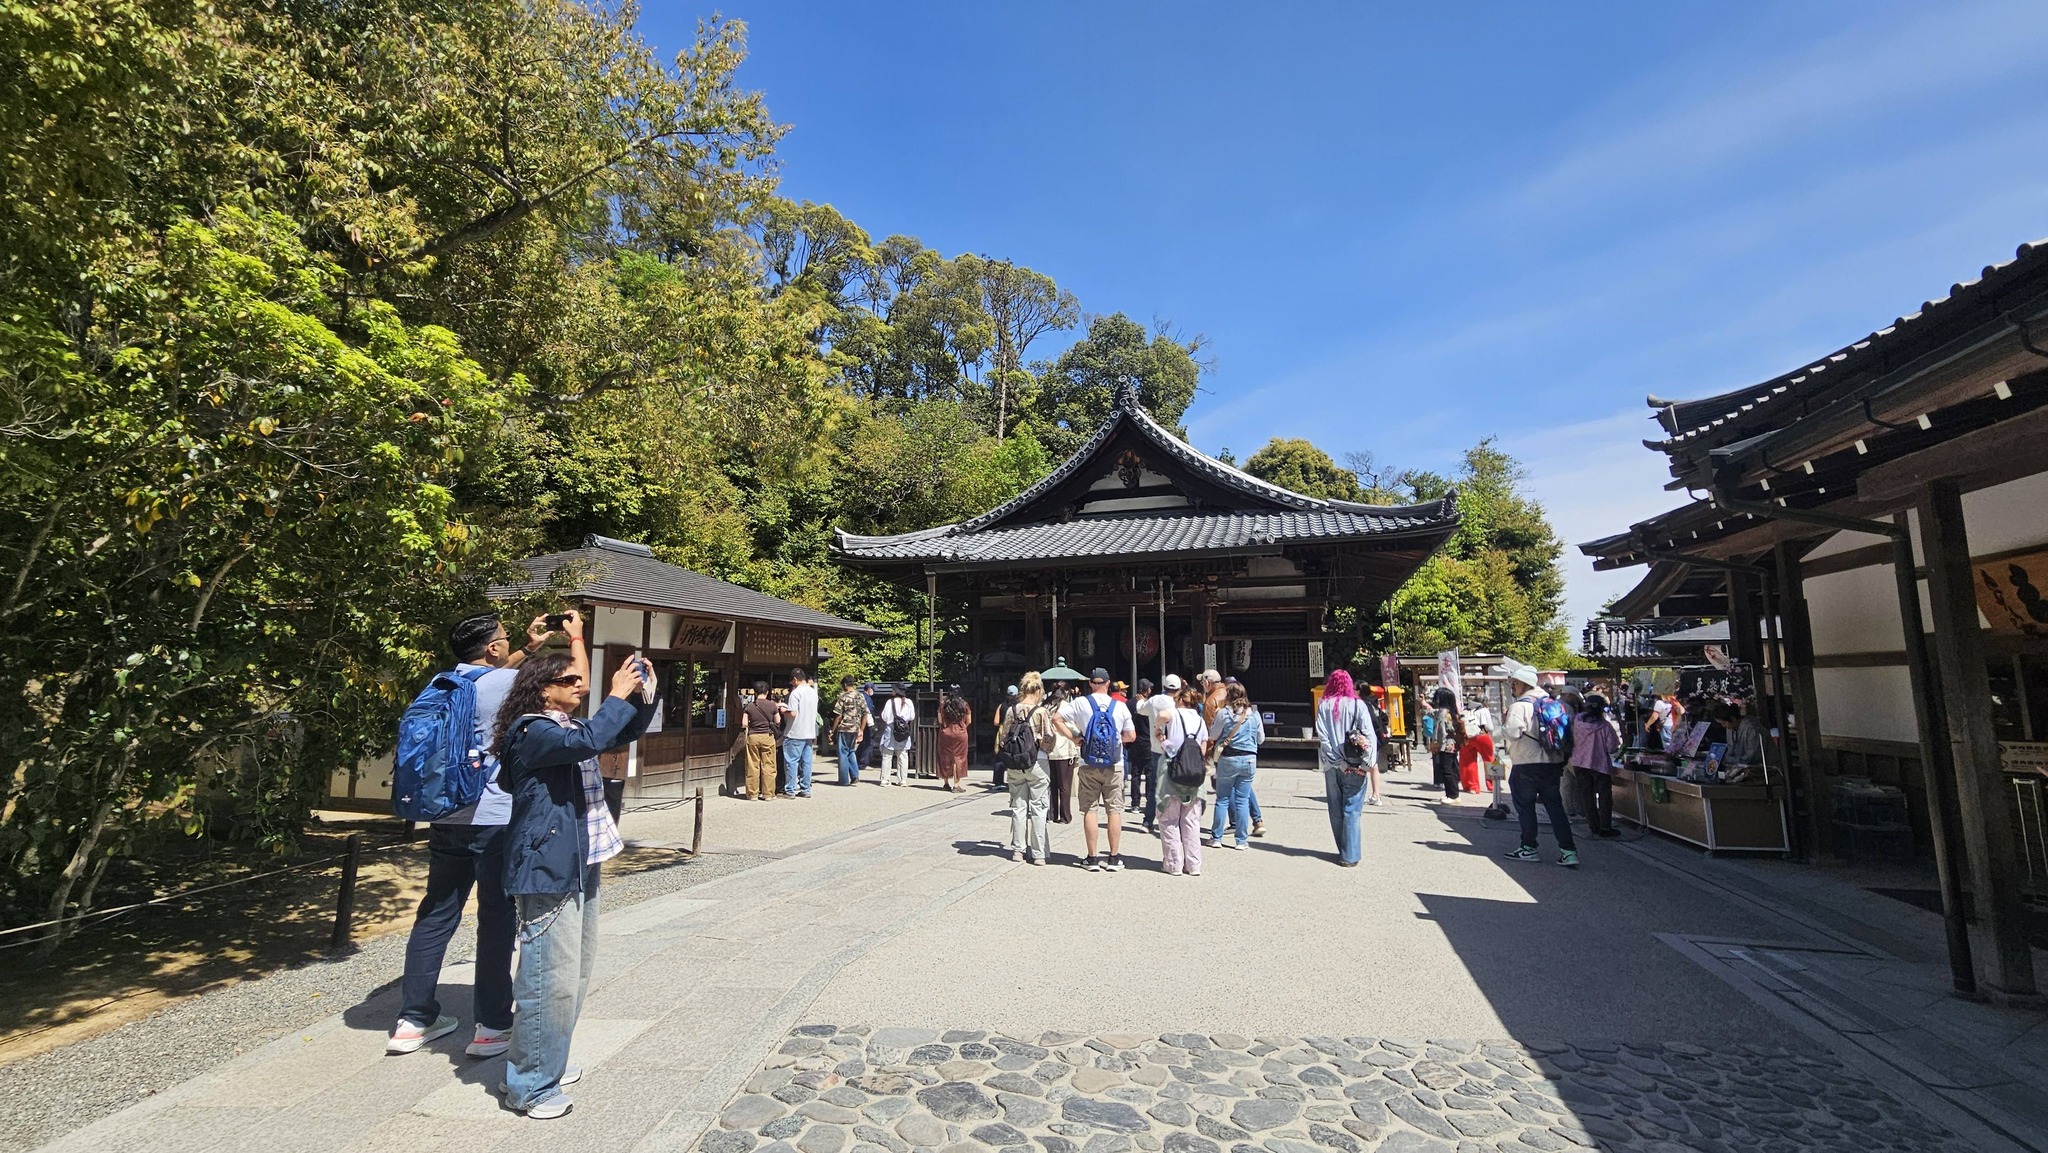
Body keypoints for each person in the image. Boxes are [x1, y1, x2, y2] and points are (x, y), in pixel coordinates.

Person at [494, 626, 656, 1119]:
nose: (579, 685)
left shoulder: (562, 727)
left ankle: (548, 1060)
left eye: (579, 680)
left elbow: (617, 732)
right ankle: (531, 1085)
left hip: (579, 857)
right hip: (548, 864)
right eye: (569, 680)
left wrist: (642, 693)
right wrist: (615, 694)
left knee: (574, 971)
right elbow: (591, 738)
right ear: (542, 689)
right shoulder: (532, 730)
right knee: (548, 976)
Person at [387, 610, 554, 1058]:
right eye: (505, 638)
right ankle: (492, 1025)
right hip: (494, 816)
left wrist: (528, 647)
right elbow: (563, 688)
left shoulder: (442, 684)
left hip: (446, 814)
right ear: (493, 648)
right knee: (496, 917)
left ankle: (413, 1020)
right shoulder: (509, 684)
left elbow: (489, 677)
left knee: (436, 913)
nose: (508, 643)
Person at [1503, 665, 1577, 867]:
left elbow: (1512, 733)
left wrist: (1504, 723)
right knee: (1555, 807)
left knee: (1525, 807)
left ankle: (1529, 848)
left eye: (1514, 683)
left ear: (1523, 684)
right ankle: (1568, 851)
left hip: (1526, 763)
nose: (1512, 686)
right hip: (1552, 763)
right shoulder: (1554, 704)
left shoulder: (1520, 706)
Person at [1062, 668, 1136, 871]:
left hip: (1088, 763)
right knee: (1114, 810)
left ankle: (1092, 858)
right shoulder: (1119, 706)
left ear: (1090, 683)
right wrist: (1116, 740)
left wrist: (1075, 738)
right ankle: (1113, 858)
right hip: (1114, 764)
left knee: (1090, 810)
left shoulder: (1080, 703)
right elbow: (1131, 736)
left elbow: (1056, 719)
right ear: (1108, 683)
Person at [1314, 670, 1377, 867]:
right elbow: (1369, 736)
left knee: (1335, 809)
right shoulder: (1358, 705)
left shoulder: (1324, 706)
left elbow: (1324, 739)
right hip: (1356, 763)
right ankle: (1350, 855)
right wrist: (1367, 765)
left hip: (1332, 765)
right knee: (1352, 808)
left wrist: (1338, 763)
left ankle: (1343, 849)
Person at [1156, 684, 1209, 876]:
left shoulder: (1174, 713)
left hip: (1172, 772)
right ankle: (1193, 864)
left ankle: (1173, 864)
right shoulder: (1200, 721)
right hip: (1194, 775)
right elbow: (1202, 749)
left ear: (1180, 700)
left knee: (1169, 819)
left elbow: (1162, 715)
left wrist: (1158, 729)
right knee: (1191, 821)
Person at [1207, 682, 1266, 851]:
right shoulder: (1254, 714)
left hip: (1228, 759)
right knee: (1242, 800)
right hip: (1249, 759)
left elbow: (1213, 735)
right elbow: (1261, 739)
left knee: (1222, 799)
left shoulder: (1223, 713)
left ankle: (1216, 837)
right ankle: (1241, 840)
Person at [1005, 672, 1051, 864]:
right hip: (1037, 761)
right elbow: (1048, 738)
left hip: (1015, 762)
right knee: (1039, 807)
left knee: (1018, 806)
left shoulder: (1012, 710)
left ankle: (1018, 850)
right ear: (1038, 691)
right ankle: (1039, 853)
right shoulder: (1041, 712)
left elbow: (1004, 736)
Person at [1570, 693, 1623, 838]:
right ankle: (1605, 827)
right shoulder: (1605, 726)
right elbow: (1612, 747)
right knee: (1605, 797)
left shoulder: (1576, 722)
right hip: (1600, 765)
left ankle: (1593, 825)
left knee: (1587, 796)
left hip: (1579, 763)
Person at [1139, 674, 1179, 833]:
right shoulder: (1177, 703)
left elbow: (1140, 709)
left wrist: (1142, 699)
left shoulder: (1154, 700)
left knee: (1154, 786)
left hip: (1156, 748)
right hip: (1175, 749)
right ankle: (1173, 821)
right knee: (1176, 785)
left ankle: (1147, 821)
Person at [780, 667, 819, 798]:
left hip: (795, 732)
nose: (791, 683)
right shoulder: (813, 692)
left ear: (795, 679)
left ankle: (790, 790)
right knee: (806, 763)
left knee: (791, 762)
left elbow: (793, 713)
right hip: (809, 732)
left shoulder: (795, 693)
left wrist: (783, 710)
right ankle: (806, 789)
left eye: (792, 681)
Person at [1043, 683, 1079, 823]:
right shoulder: (1066, 706)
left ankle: (1051, 814)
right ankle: (1065, 816)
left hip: (1048, 749)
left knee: (1051, 784)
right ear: (1066, 693)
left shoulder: (1045, 705)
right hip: (1064, 749)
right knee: (1064, 785)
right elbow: (1072, 726)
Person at [741, 681, 780, 800]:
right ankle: (768, 794)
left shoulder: (749, 706)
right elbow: (778, 721)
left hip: (753, 736)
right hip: (768, 736)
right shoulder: (772, 705)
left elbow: (744, 723)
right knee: (769, 765)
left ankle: (752, 794)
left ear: (755, 692)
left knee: (752, 766)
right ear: (767, 692)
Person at [830, 676, 868, 787]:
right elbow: (865, 714)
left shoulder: (843, 697)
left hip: (844, 728)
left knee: (843, 753)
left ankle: (843, 780)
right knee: (851, 751)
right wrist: (861, 729)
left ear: (845, 684)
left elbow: (838, 715)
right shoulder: (860, 696)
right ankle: (855, 775)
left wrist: (832, 730)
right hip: (855, 728)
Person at [876, 684, 916, 785]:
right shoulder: (909, 702)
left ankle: (885, 779)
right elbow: (912, 717)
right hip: (903, 730)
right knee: (902, 755)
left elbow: (884, 717)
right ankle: (902, 780)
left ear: (896, 691)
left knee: (887, 755)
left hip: (890, 729)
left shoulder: (890, 702)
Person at [1427, 687, 1462, 802]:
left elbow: (1442, 730)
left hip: (1445, 745)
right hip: (1451, 744)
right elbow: (1432, 712)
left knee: (1447, 770)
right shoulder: (1450, 711)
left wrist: (1436, 743)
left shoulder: (1443, 713)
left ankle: (1453, 796)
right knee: (1451, 769)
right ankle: (1452, 794)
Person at [936, 686, 972, 791]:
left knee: (945, 756)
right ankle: (956, 785)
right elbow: (969, 720)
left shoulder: (943, 704)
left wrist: (945, 726)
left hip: (946, 732)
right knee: (959, 757)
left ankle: (946, 783)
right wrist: (963, 726)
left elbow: (940, 720)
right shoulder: (964, 704)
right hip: (960, 733)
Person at [1457, 713, 1493, 798]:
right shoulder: (1483, 711)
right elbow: (1490, 727)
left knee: (1468, 762)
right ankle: (1492, 785)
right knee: (1489, 759)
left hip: (1467, 737)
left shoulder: (1463, 710)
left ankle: (1472, 787)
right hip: (1482, 735)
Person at [991, 685, 1019, 788]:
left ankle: (998, 782)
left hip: (1003, 732)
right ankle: (1015, 780)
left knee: (1000, 757)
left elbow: (996, 722)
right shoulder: (1019, 707)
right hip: (1016, 732)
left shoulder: (1001, 706)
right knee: (1015, 755)